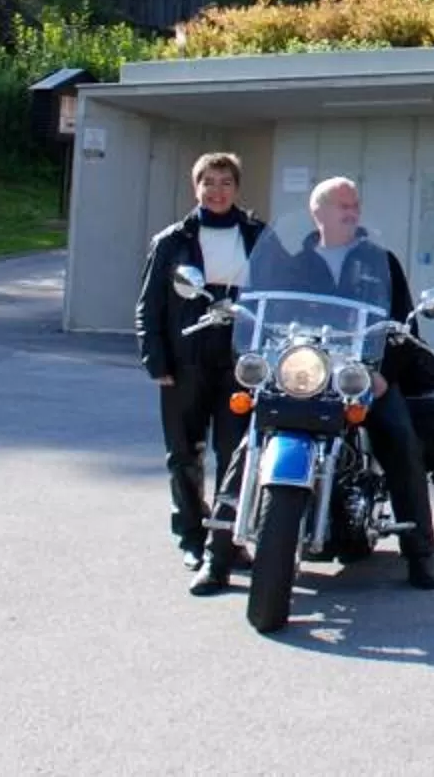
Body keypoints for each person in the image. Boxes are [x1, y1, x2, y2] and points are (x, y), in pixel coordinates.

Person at [251, 177, 434, 590]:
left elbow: (402, 326)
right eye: (342, 204)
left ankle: (420, 551)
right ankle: (219, 546)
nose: (351, 210)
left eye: (355, 203)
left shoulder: (380, 262)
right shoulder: (294, 264)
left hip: (361, 374)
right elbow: (268, 315)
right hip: (307, 372)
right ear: (317, 212)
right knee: (249, 432)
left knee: (398, 436)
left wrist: (382, 376)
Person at [135, 152, 265, 591]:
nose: (217, 191)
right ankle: (192, 535)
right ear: (196, 187)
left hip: (239, 364)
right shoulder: (172, 240)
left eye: (225, 182)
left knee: (237, 456)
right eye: (208, 182)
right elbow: (148, 304)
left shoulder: (257, 236)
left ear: (237, 187)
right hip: (186, 361)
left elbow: (280, 292)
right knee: (184, 455)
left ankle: (228, 542)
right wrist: (156, 359)